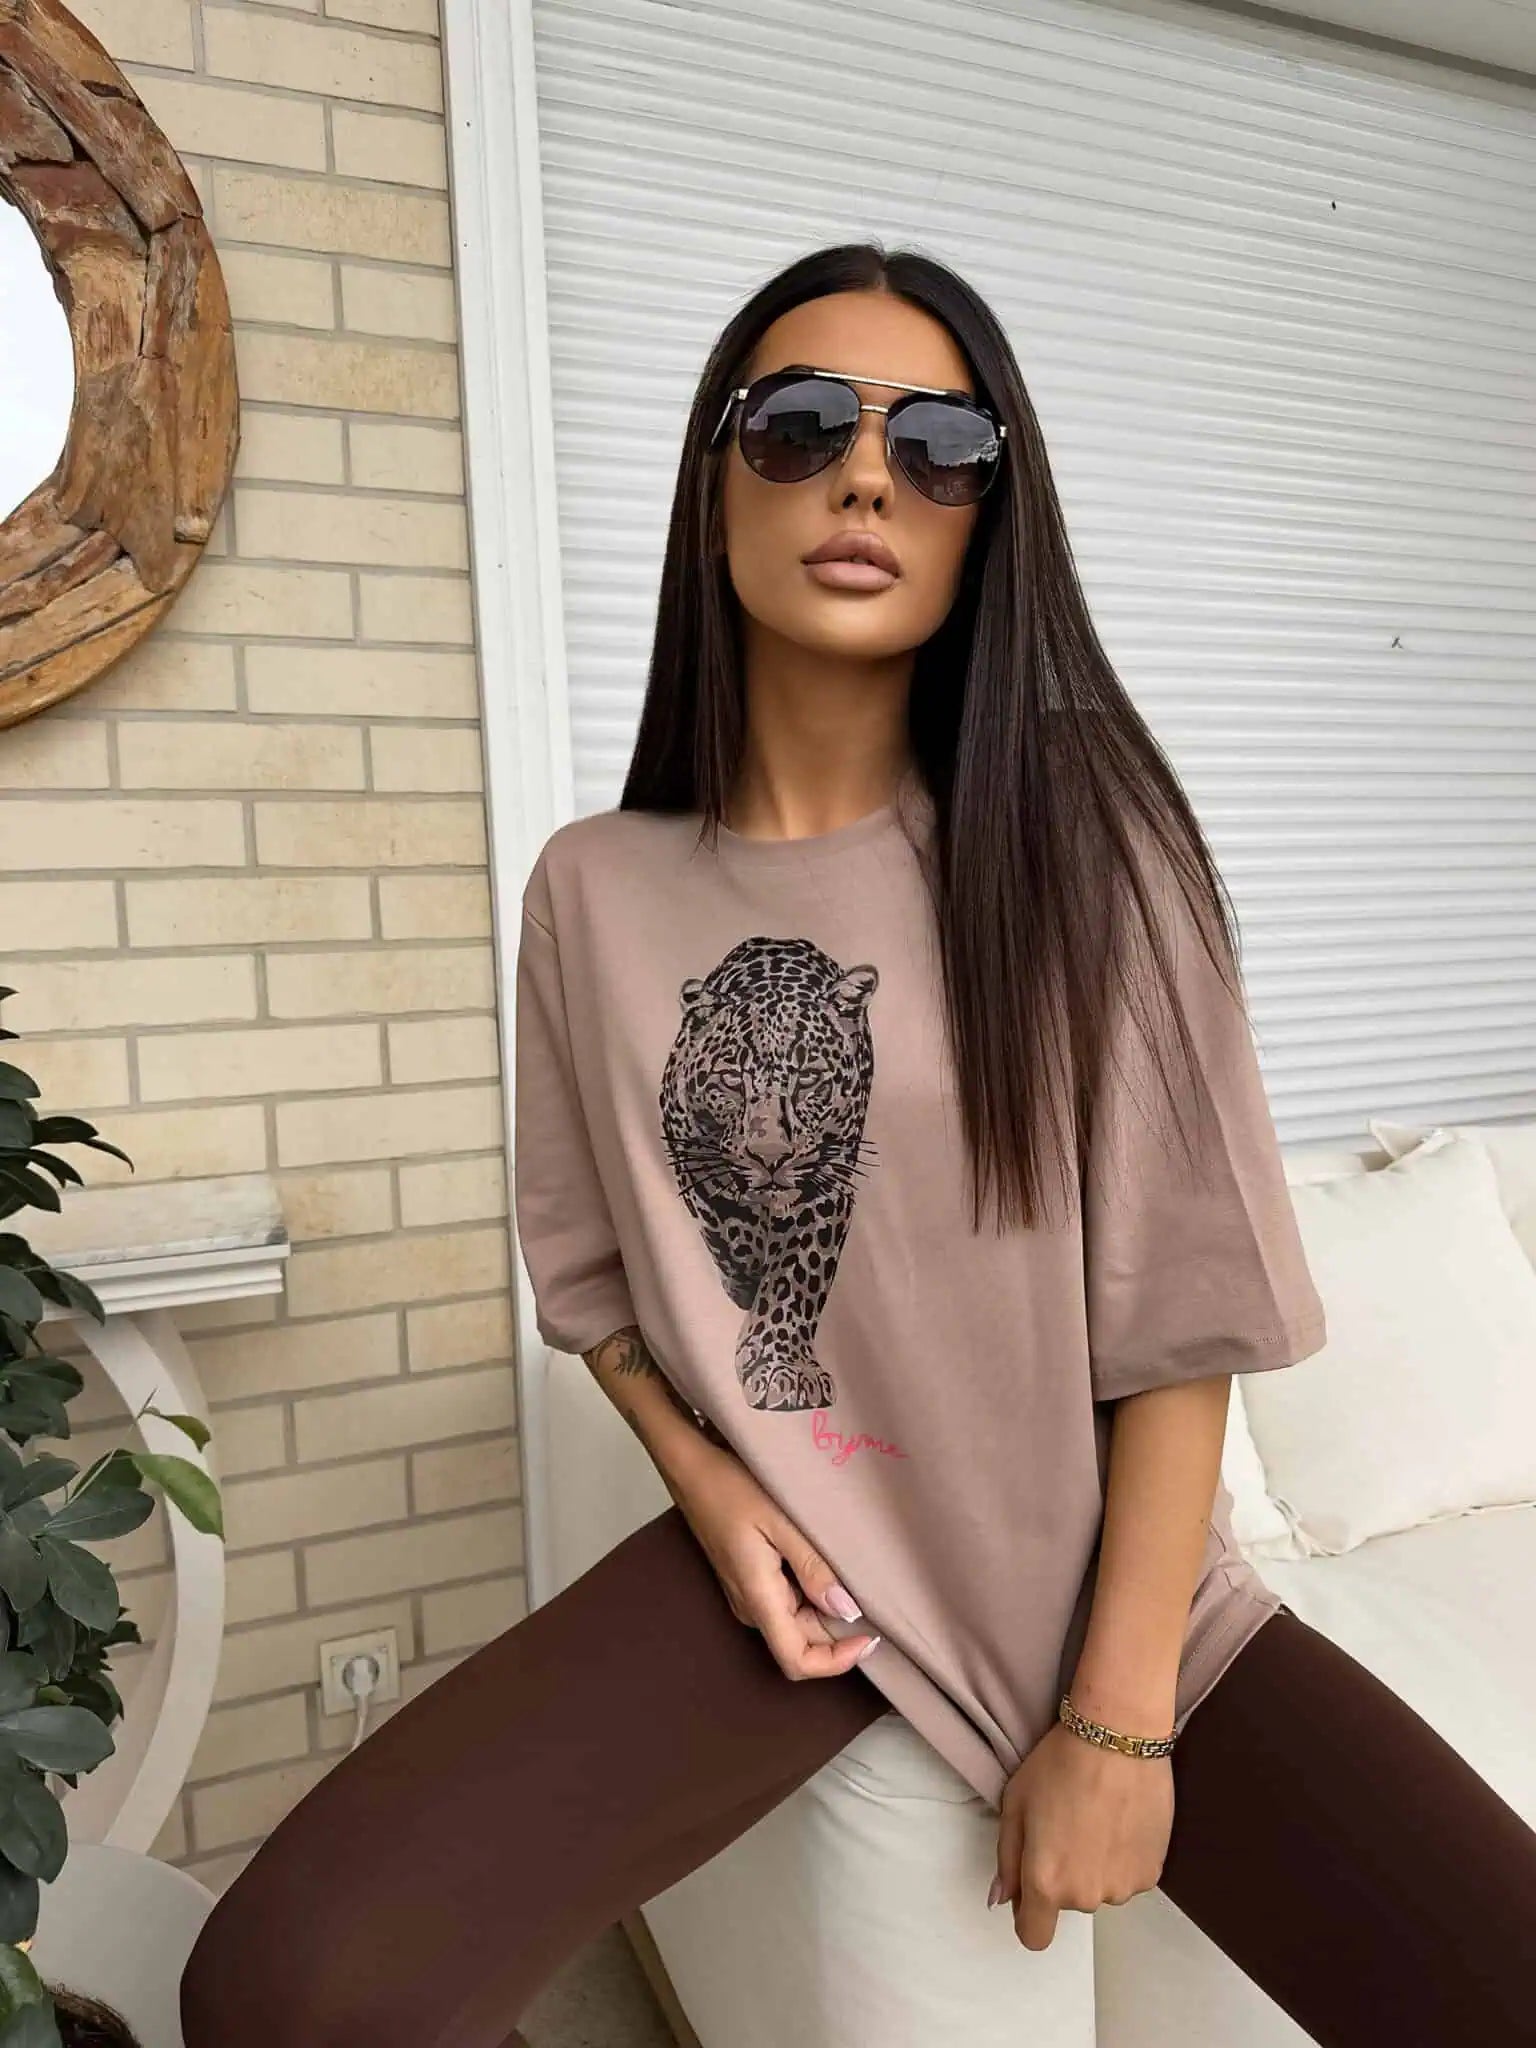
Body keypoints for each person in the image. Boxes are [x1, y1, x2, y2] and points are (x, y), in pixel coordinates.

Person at [178, 243, 1536, 2048]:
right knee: (285, 1988)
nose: (870, 476)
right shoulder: (595, 890)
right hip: (791, 1583)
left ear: (988, 516)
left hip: (1096, 1581)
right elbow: (591, 1278)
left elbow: (1179, 1315)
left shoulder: (1084, 843)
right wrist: (712, 1487)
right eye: (803, 424)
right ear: (716, 481)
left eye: (943, 444)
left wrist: (1119, 1723)